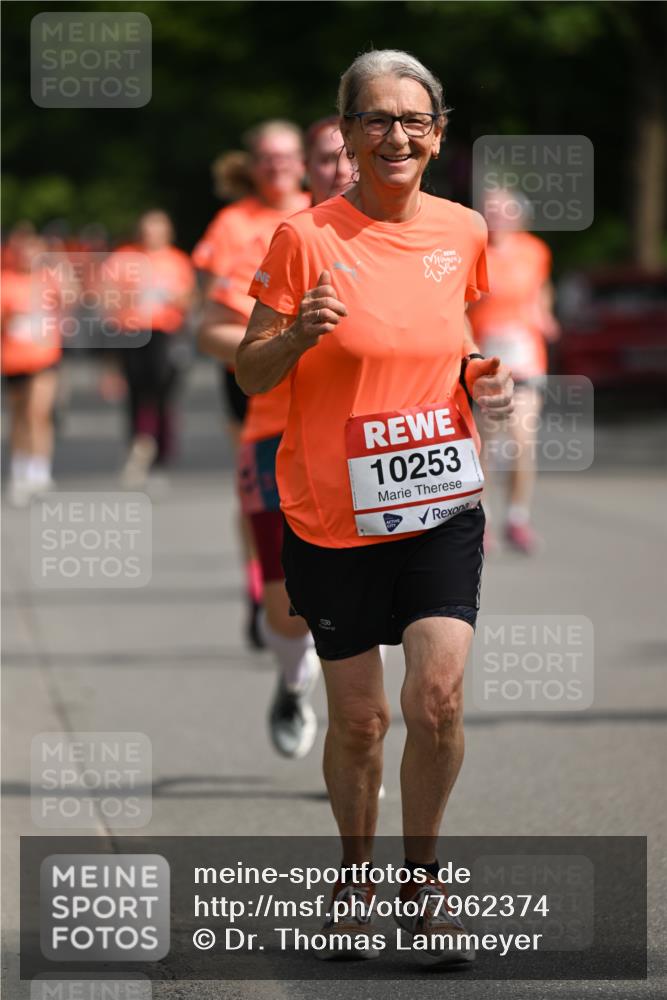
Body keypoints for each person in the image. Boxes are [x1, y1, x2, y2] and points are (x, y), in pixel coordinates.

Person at [237, 50, 513, 963]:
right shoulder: (304, 239)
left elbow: (452, 339)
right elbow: (250, 369)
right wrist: (297, 336)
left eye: (414, 119)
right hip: (329, 511)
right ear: (347, 134)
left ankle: (422, 893)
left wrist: (482, 378)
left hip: (438, 498)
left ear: (438, 132)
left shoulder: (464, 230)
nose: (397, 136)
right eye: (376, 120)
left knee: (435, 698)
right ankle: (353, 880)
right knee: (360, 721)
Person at [197, 119, 354, 758]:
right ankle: (293, 681)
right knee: (285, 603)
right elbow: (211, 328)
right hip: (271, 421)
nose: (281, 167)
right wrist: (271, 351)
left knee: (354, 595)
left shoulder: (385, 228)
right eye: (271, 157)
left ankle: (358, 743)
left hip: (355, 434)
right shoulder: (251, 230)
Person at [194, 123, 310, 649]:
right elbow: (207, 313)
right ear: (253, 164)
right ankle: (260, 585)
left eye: (286, 156)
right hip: (249, 378)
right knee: (259, 491)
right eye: (266, 157)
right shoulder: (233, 223)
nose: (277, 165)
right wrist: (260, 350)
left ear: (304, 162)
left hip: (315, 371)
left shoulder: (323, 209)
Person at [469, 188, 559, 554]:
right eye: (491, 210)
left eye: (505, 210)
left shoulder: (535, 251)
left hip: (526, 354)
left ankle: (518, 518)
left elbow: (541, 288)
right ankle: (485, 518)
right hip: (488, 359)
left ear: (520, 215)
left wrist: (544, 312)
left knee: (523, 441)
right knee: (489, 444)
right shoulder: (473, 251)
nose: (498, 216)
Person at [106, 210, 195, 487]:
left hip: (165, 334)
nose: (151, 235)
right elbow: (106, 295)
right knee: (135, 393)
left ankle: (158, 455)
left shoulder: (177, 260)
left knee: (162, 393)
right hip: (131, 332)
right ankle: (138, 448)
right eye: (146, 229)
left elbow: (191, 299)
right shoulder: (124, 258)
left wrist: (177, 298)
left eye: (157, 229)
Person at [2, 229, 63, 506]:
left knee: (38, 412)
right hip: (13, 358)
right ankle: (19, 469)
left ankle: (40, 472)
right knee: (18, 415)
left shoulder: (49, 279)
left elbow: (73, 298)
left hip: (44, 357)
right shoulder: (5, 281)